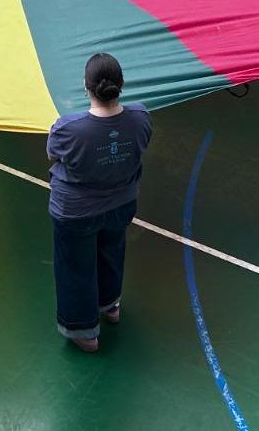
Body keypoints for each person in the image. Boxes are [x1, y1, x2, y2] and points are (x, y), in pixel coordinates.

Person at [46, 53, 152, 353]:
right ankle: (110, 305)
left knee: (75, 267)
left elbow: (52, 152)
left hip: (76, 212)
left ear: (86, 87)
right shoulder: (141, 117)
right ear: (121, 85)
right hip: (121, 204)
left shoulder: (68, 128)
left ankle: (84, 331)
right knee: (111, 253)